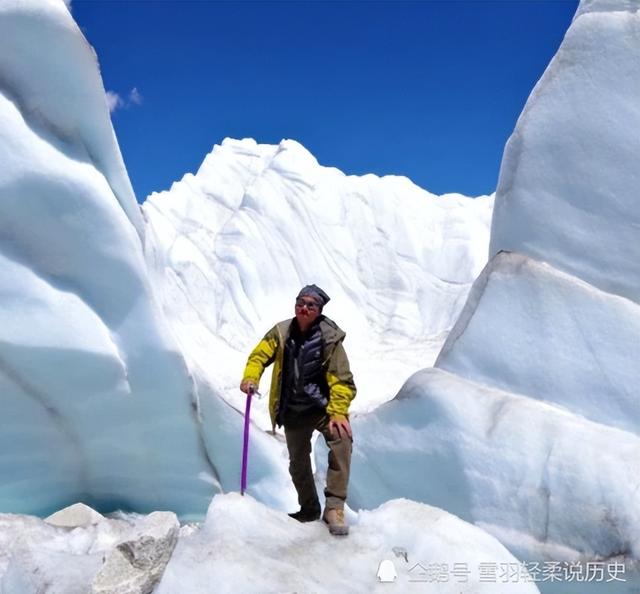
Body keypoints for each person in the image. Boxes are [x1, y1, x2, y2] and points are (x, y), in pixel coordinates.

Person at [240, 284, 356, 536]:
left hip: (323, 408)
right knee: (298, 463)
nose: (303, 308)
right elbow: (259, 355)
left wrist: (338, 411)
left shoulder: (329, 338)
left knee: (341, 440)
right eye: (300, 303)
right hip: (293, 408)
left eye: (310, 305)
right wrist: (251, 378)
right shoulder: (282, 332)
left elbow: (341, 378)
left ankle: (334, 507)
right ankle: (309, 509)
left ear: (319, 310)